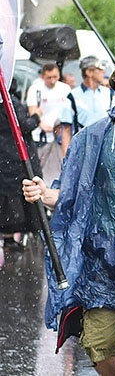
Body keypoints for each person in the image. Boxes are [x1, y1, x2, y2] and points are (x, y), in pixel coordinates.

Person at [22, 46, 115, 376]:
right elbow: (70, 192)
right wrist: (44, 193)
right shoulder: (92, 135)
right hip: (100, 265)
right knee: (102, 351)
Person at [0, 75, 42, 264]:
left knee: (7, 197)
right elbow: (23, 126)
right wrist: (36, 116)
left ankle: (8, 238)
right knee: (18, 196)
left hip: (4, 155)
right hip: (15, 156)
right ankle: (19, 232)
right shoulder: (10, 102)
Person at [26, 63, 70, 186]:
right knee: (40, 169)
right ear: (42, 77)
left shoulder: (65, 89)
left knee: (58, 167)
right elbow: (33, 111)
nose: (52, 80)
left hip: (59, 135)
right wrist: (43, 125)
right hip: (42, 135)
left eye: (55, 77)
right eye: (49, 77)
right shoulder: (35, 89)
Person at [60, 56, 114, 154]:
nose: (104, 72)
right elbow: (66, 130)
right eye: (100, 69)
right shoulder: (72, 96)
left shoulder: (108, 94)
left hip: (105, 149)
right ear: (89, 72)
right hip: (82, 149)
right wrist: (65, 158)